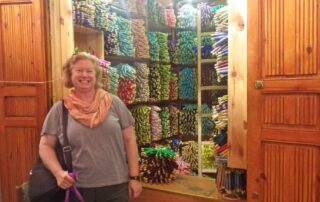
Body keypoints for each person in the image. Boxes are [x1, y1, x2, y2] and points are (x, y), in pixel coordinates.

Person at [39, 52, 142, 202]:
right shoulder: (60, 109)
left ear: (96, 75)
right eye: (79, 70)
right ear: (70, 74)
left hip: (116, 188)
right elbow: (45, 145)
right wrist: (58, 173)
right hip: (77, 188)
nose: (85, 75)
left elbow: (130, 140)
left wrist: (134, 177)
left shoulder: (114, 103)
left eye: (89, 71)